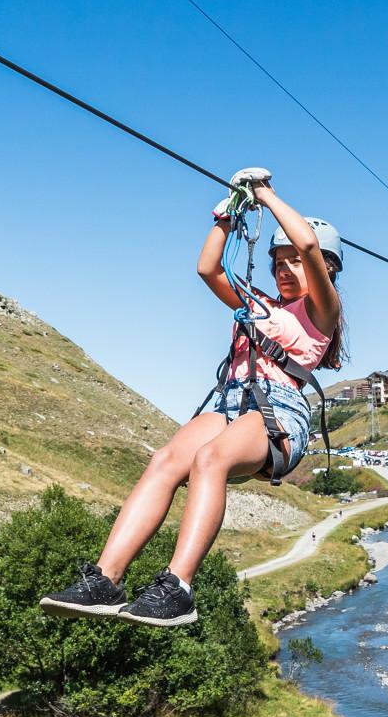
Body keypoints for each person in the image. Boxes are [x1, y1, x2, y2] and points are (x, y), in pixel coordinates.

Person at [38, 172, 343, 626]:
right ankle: (106, 579)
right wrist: (227, 213)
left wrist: (266, 196)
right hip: (231, 401)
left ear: (326, 271)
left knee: (209, 460)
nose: (283, 267)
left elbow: (311, 246)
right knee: (165, 460)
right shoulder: (261, 304)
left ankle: (178, 587)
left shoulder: (322, 310)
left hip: (279, 410)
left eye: (291, 261)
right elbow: (208, 269)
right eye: (278, 260)